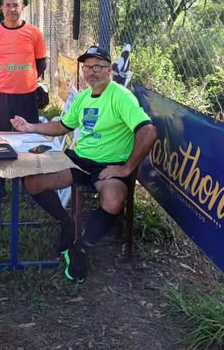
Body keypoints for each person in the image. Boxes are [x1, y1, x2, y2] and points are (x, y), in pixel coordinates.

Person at [10, 45, 156, 282]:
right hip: (78, 161)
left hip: (109, 165)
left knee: (114, 199)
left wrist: (126, 168)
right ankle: (67, 224)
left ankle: (81, 248)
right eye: (87, 67)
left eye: (97, 67)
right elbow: (63, 126)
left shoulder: (121, 96)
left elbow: (148, 132)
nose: (91, 72)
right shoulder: (84, 98)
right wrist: (30, 127)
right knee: (33, 181)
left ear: (109, 70)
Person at [0, 0, 47, 202]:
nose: (11, 9)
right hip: (1, 97)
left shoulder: (34, 33)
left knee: (28, 140)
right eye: (7, 5)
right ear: (2, 8)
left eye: (15, 5)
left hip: (27, 96)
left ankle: (30, 186)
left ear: (22, 8)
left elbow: (41, 63)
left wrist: (26, 81)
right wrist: (1, 82)